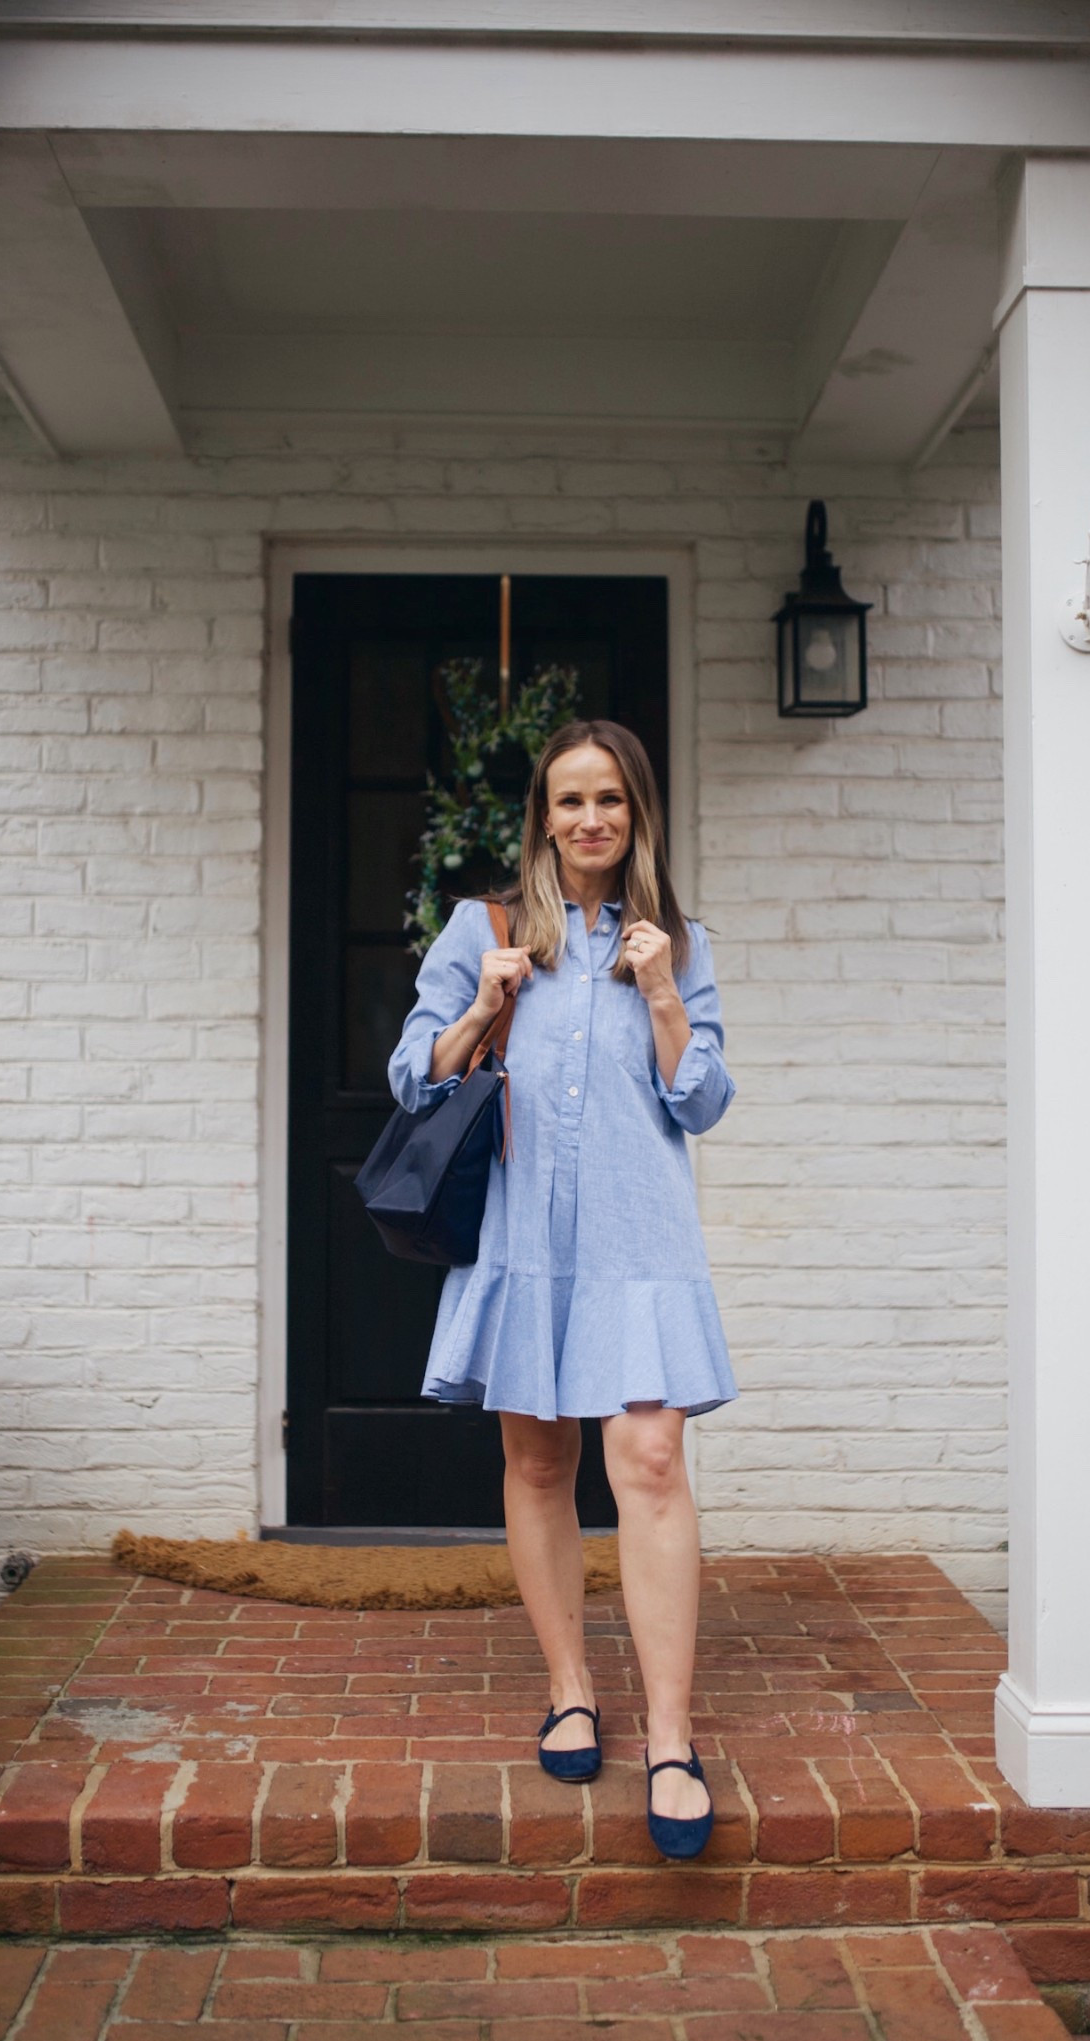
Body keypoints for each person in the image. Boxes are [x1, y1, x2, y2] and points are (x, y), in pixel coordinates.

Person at [387, 718, 736, 1859]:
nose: (591, 819)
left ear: (639, 814)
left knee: (649, 1459)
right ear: (543, 813)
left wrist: (665, 991)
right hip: (523, 1236)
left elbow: (702, 1101)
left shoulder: (676, 940)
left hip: (639, 1240)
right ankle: (572, 1684)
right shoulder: (484, 931)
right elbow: (416, 1076)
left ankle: (673, 1737)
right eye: (570, 799)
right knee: (539, 1459)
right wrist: (485, 1005)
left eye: (612, 801)